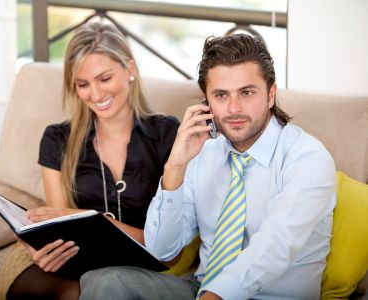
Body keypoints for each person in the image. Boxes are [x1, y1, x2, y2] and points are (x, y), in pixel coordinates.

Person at [78, 34, 336, 299]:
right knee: (103, 281)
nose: (234, 108)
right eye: (221, 95)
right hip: (199, 289)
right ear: (207, 102)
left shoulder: (308, 158)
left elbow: (274, 247)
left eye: (247, 92)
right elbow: (163, 251)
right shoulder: (203, 152)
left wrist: (214, 296)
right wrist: (175, 167)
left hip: (269, 296)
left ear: (271, 95)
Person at [0, 22, 179, 300]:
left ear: (129, 70)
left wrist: (90, 219)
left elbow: (167, 248)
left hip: (130, 271)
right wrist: (41, 248)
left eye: (104, 79)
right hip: (65, 265)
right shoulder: (57, 139)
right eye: (83, 84)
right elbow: (59, 228)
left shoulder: (166, 134)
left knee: (97, 288)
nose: (95, 94)